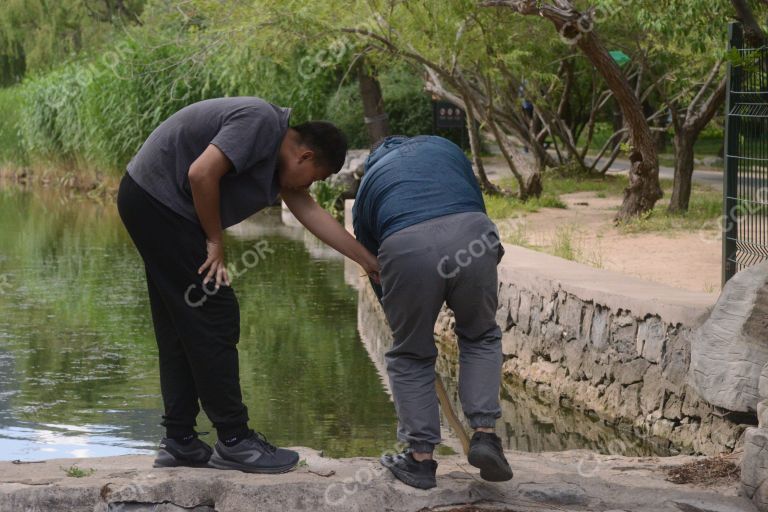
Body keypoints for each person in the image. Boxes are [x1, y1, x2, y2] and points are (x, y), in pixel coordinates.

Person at [117, 97, 379, 474]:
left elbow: (309, 212)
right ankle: (235, 440)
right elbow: (200, 174)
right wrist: (214, 241)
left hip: (149, 200)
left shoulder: (277, 152)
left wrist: (367, 262)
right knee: (215, 313)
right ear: (305, 157)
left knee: (181, 325)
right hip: (161, 202)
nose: (311, 187)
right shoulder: (259, 122)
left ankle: (180, 441)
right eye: (316, 178)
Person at [353, 135, 513, 489]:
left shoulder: (371, 179)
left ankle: (420, 460)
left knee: (410, 354)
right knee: (480, 334)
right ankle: (486, 436)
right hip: (473, 235)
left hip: (407, 246)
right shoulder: (445, 147)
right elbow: (474, 203)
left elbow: (371, 260)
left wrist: (401, 320)